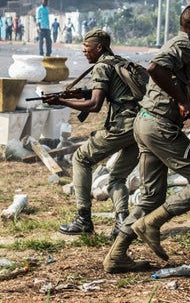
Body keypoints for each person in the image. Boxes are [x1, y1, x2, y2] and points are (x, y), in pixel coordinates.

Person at [104, 3, 190, 274]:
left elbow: (170, 82)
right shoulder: (186, 45)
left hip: (146, 122)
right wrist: (183, 101)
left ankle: (117, 255)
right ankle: (151, 224)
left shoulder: (183, 46)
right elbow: (155, 69)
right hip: (159, 127)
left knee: (151, 197)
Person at [42, 30, 140, 240]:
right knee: (117, 177)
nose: (84, 51)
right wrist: (81, 94)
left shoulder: (102, 66)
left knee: (81, 158)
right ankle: (122, 223)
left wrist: (61, 101)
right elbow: (114, 92)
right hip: (141, 127)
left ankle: (83, 219)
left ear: (99, 47)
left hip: (123, 126)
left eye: (87, 47)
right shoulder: (119, 62)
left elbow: (95, 105)